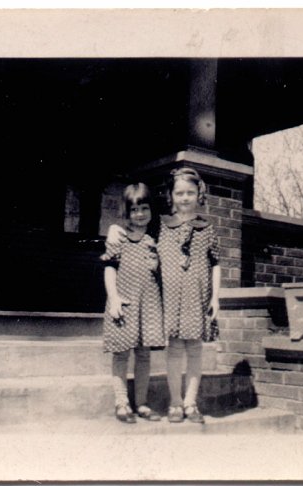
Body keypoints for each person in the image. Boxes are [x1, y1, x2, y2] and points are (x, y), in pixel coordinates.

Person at [107, 168, 221, 424]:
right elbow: (134, 225)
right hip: (168, 300)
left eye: (190, 192)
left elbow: (216, 262)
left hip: (197, 299)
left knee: (194, 350)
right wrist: (114, 228)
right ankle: (175, 402)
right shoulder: (160, 225)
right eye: (179, 192)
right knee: (174, 350)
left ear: (199, 194)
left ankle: (190, 403)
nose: (185, 198)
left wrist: (216, 297)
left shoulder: (208, 228)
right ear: (170, 195)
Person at [101, 183, 166, 424]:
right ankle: (121, 403)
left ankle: (141, 403)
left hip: (147, 304)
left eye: (144, 208)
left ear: (151, 210)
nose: (139, 214)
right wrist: (114, 298)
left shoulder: (153, 241)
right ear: (127, 213)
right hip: (124, 302)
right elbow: (109, 269)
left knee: (143, 355)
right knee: (120, 355)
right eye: (134, 209)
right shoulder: (118, 236)